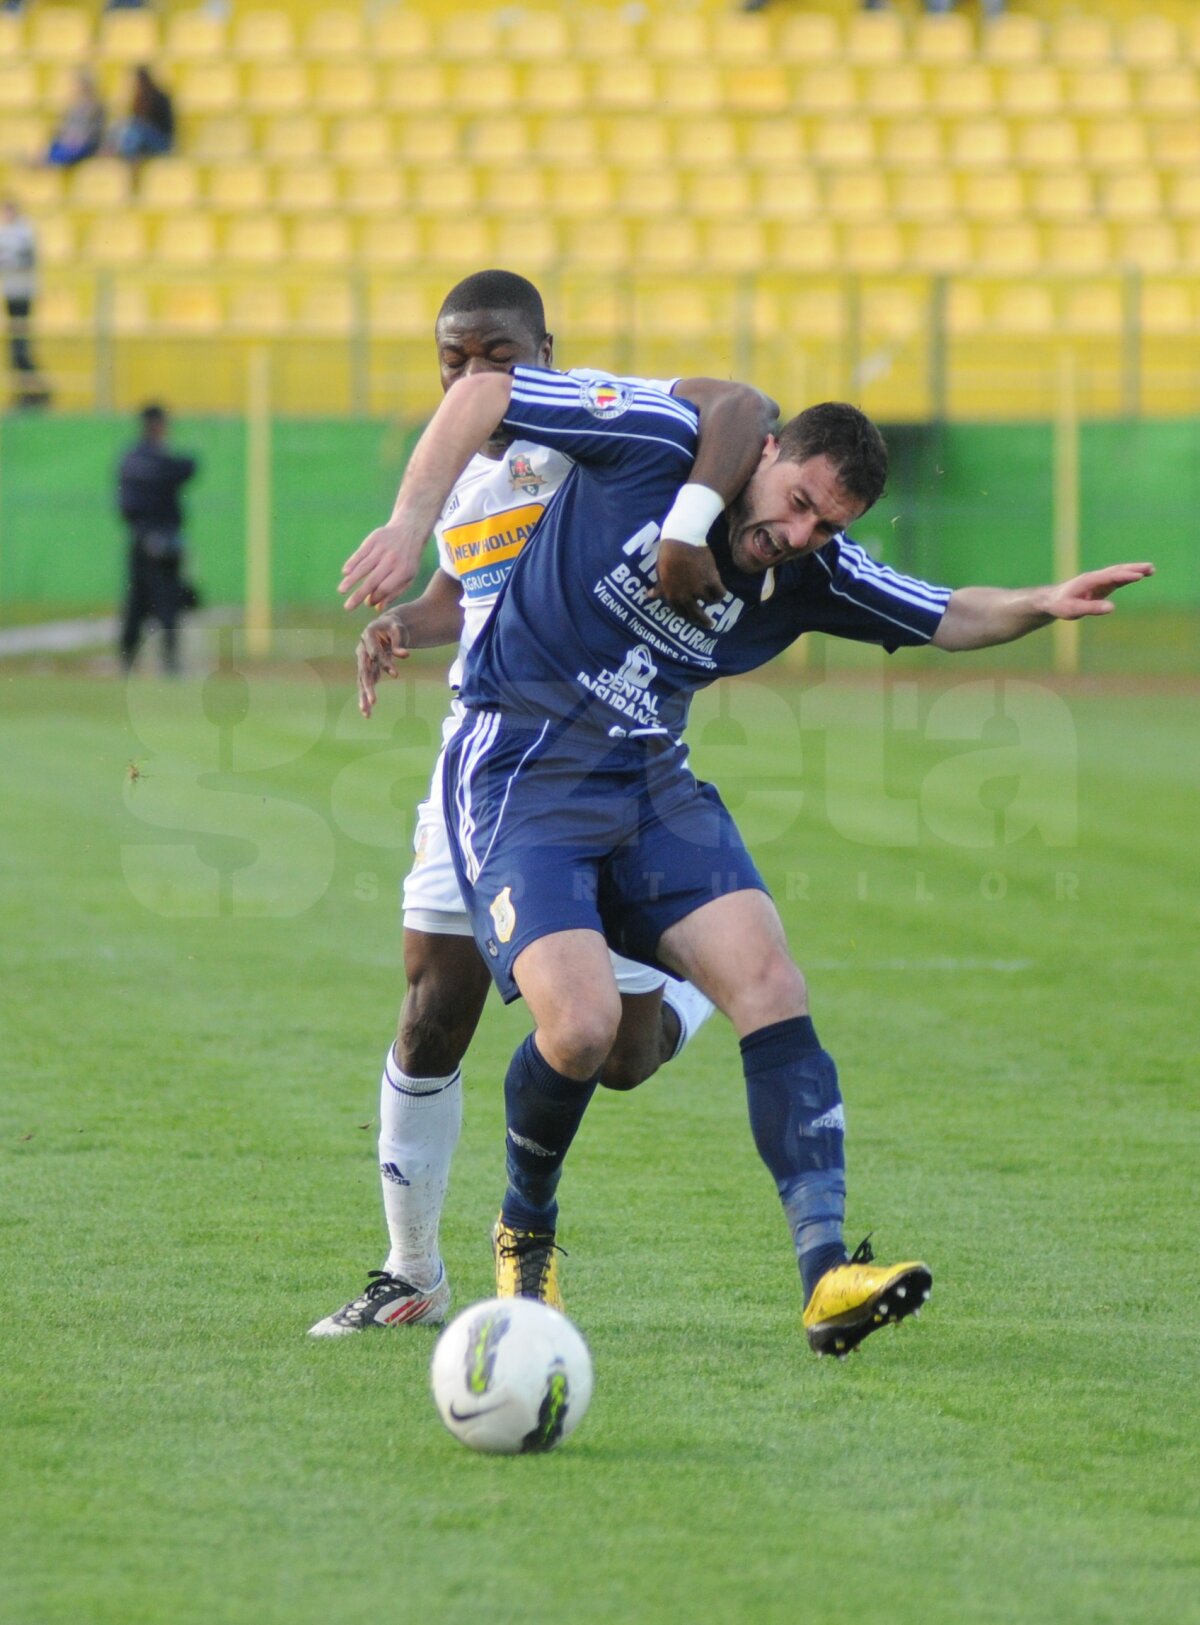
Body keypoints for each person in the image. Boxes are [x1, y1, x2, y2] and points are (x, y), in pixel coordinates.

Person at [341, 365, 1152, 1358]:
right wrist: (403, 521)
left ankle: (827, 1276)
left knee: (769, 977)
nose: (802, 532)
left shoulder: (808, 569)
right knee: (588, 1026)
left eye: (828, 524)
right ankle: (525, 1227)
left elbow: (944, 613)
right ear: (767, 456)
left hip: (648, 782)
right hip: (519, 770)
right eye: (800, 502)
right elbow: (482, 394)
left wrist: (1041, 600)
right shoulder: (654, 445)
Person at [310, 269, 777, 1336]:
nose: (472, 378)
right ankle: (411, 1267)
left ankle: (701, 979)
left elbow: (739, 405)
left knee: (620, 1055)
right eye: (454, 360)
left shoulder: (596, 427)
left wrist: (691, 519)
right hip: (477, 770)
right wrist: (402, 628)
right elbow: (458, 594)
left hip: (598, 778)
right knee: (433, 1004)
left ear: (546, 352)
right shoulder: (466, 478)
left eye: (496, 357)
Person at [117, 403, 198, 674]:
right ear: (159, 425)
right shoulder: (160, 460)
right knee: (166, 605)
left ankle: (127, 662)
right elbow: (188, 467)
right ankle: (169, 663)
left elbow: (125, 505)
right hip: (162, 544)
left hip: (139, 542)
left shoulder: (130, 459)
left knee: (137, 604)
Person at [0, 198, 47, 407]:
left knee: (20, 345)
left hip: (24, 291)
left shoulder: (24, 230)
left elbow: (28, 257)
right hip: (10, 291)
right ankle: (28, 391)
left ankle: (36, 391)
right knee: (16, 344)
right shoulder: (5, 231)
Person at [108, 66, 174, 161]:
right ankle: (122, 154)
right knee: (123, 127)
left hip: (162, 140)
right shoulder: (138, 99)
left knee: (137, 128)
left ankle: (126, 157)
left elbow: (163, 127)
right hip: (144, 138)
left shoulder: (160, 98)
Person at [42, 70, 105, 167]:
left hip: (85, 145)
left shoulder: (96, 107)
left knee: (62, 153)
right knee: (53, 147)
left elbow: (95, 132)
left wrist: (77, 139)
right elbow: (64, 128)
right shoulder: (73, 107)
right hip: (69, 143)